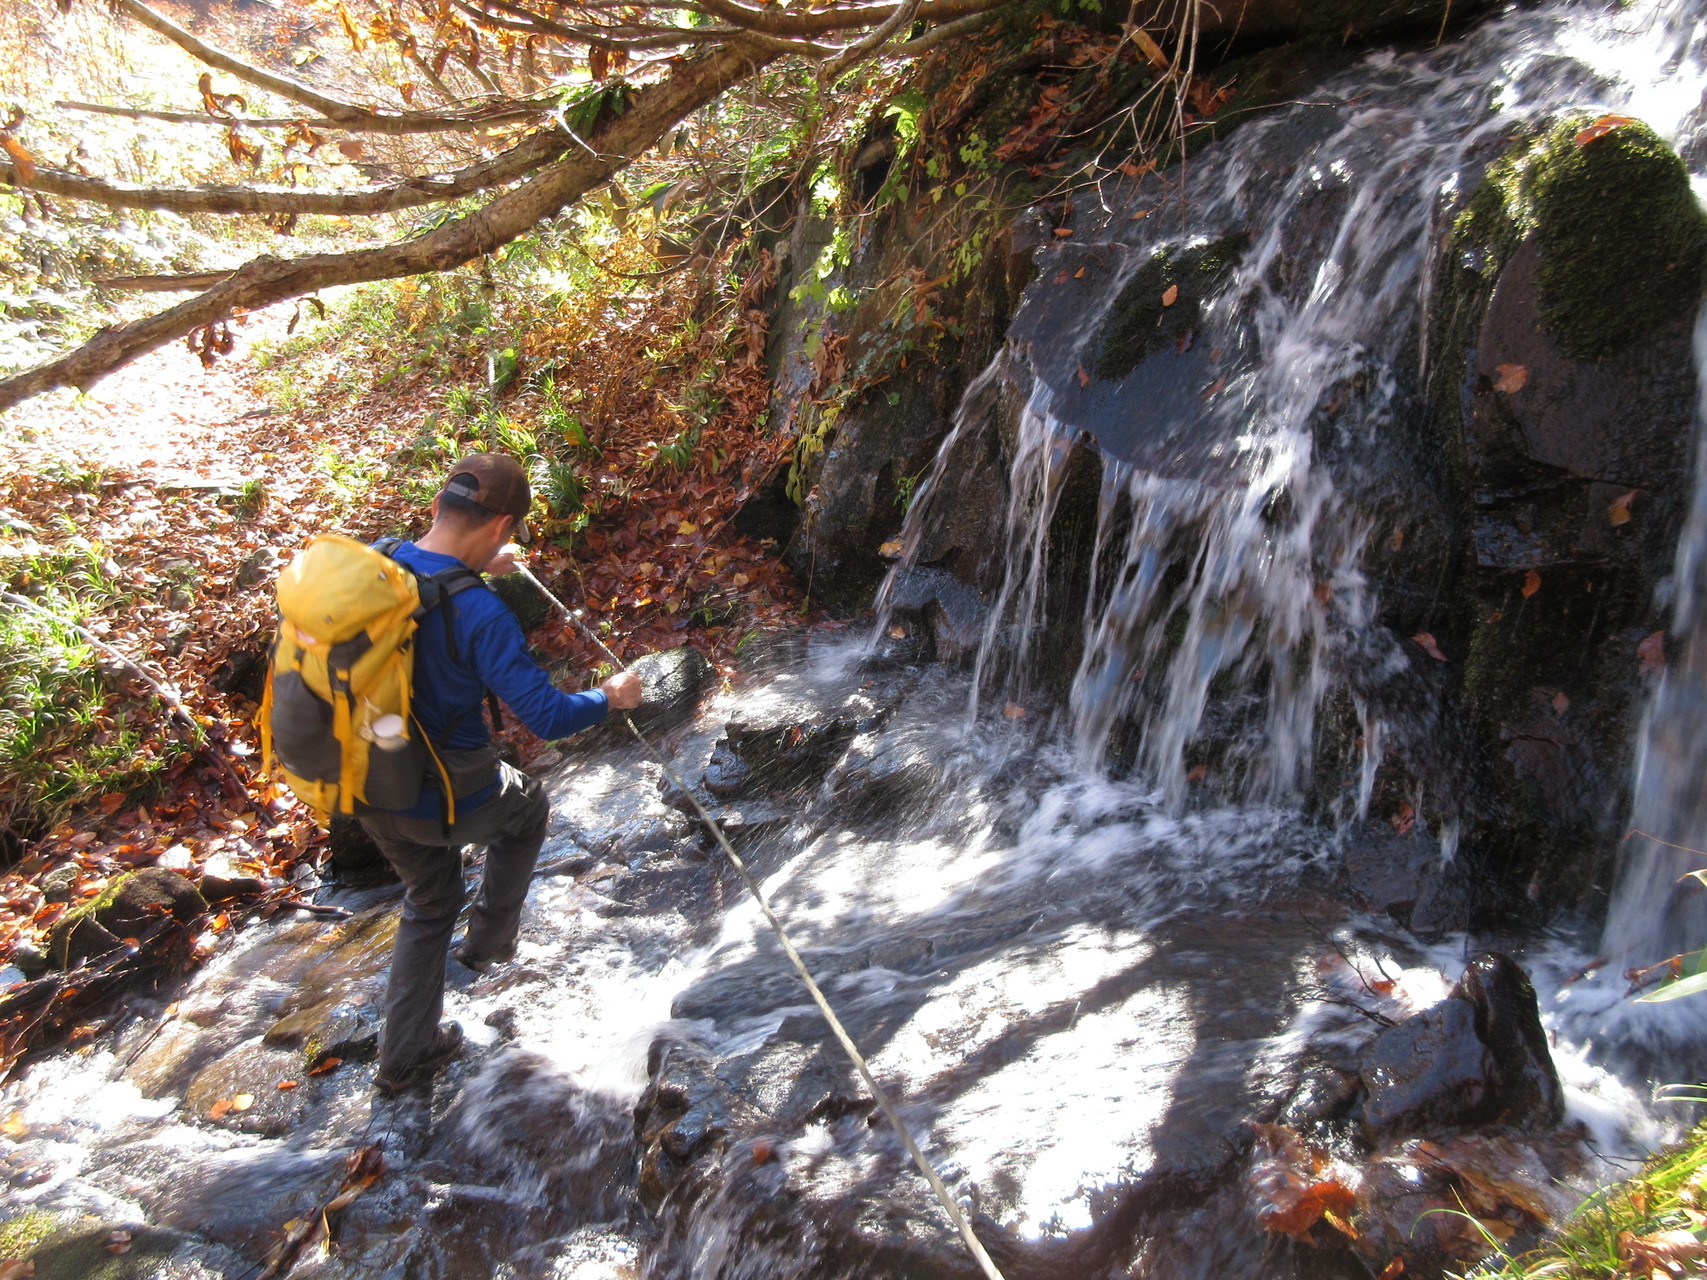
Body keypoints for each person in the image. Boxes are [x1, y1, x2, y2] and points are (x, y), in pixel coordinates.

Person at [359, 453, 642, 1095]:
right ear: (504, 525)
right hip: (442, 791)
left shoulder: (376, 560)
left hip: (362, 782)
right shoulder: (482, 613)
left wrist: (481, 560)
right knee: (528, 810)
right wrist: (610, 697)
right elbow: (544, 716)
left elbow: (433, 581)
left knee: (429, 899)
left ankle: (404, 1058)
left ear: (437, 507)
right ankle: (488, 947)